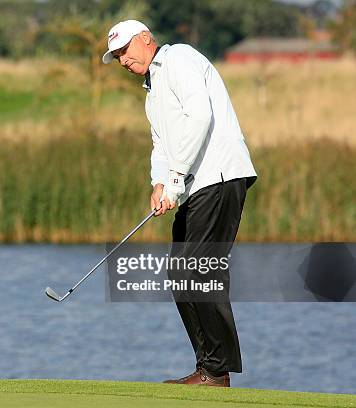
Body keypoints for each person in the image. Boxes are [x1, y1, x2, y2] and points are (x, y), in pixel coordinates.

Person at [102, 20, 257, 387]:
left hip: (218, 176)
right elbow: (161, 145)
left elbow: (200, 117)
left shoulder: (179, 59)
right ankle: (208, 368)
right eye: (117, 55)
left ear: (145, 39)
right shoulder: (152, 90)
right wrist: (159, 183)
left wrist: (175, 180)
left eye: (125, 50)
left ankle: (216, 372)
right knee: (180, 273)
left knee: (199, 271)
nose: (123, 60)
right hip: (192, 185)